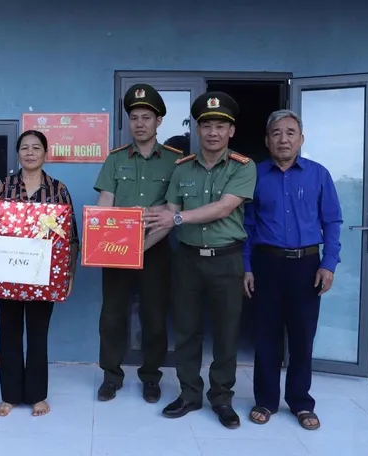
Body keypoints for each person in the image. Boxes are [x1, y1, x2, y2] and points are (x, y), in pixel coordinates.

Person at [144, 91, 256, 428]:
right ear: (198, 129)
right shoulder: (182, 169)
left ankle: (221, 399)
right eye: (207, 125)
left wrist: (176, 218)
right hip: (188, 260)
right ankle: (189, 394)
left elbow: (223, 208)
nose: (213, 132)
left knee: (225, 333)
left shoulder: (243, 167)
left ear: (231, 131)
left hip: (226, 260)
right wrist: (132, 246)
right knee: (186, 330)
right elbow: (168, 214)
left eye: (220, 126)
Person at [243, 109, 342, 431]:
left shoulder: (318, 175)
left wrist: (328, 264)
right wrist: (247, 267)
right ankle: (266, 400)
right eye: (276, 133)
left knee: (302, 337)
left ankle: (300, 402)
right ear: (267, 140)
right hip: (267, 264)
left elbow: (332, 222)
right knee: (266, 335)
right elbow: (246, 226)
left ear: (301, 139)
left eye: (290, 133)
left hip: (307, 266)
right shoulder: (255, 175)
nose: (283, 139)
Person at [93, 83, 182, 403]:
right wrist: (105, 241)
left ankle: (151, 377)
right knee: (112, 316)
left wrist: (139, 247)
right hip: (115, 249)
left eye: (146, 117)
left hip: (156, 249)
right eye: (134, 118)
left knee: (154, 317)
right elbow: (105, 204)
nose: (140, 123)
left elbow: (172, 213)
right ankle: (111, 376)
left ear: (159, 122)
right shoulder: (115, 159)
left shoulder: (175, 161)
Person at [0, 130, 79, 417]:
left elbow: (70, 236)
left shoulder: (58, 189)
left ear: (45, 154)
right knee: (9, 334)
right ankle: (10, 396)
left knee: (38, 334)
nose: (30, 152)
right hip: (7, 272)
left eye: (36, 148)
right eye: (24, 147)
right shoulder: (2, 187)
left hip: (44, 275)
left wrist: (69, 274)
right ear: (18, 154)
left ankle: (37, 396)